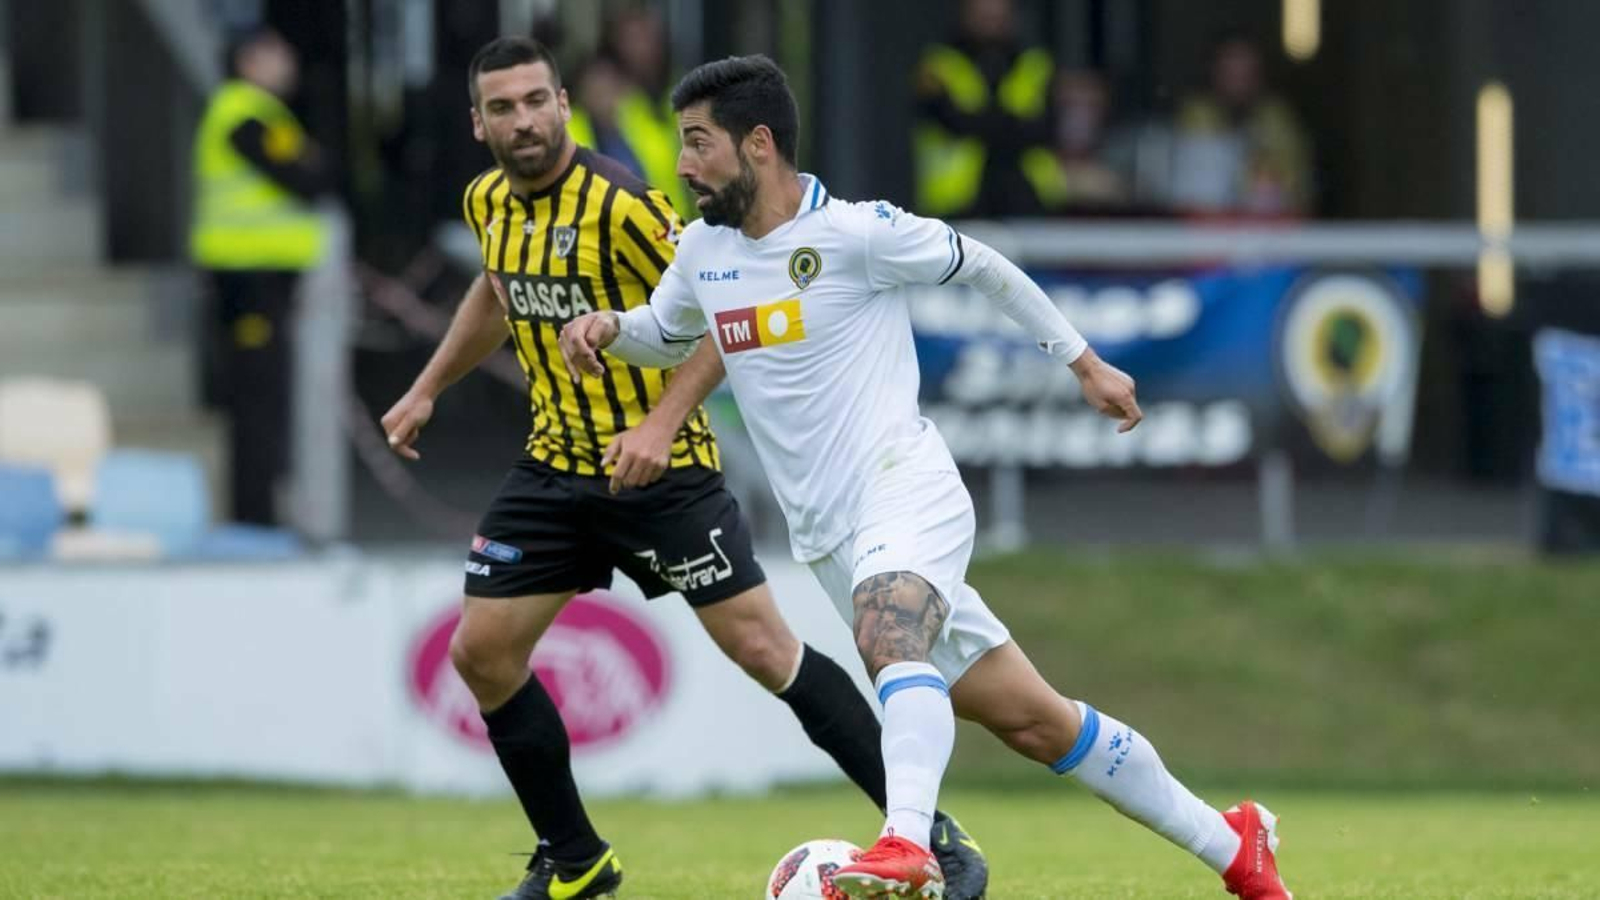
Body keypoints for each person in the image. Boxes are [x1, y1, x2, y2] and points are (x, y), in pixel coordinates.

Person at [560, 55, 1293, 900]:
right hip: (829, 535)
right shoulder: (702, 251)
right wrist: (609, 328)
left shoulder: (857, 233)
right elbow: (666, 333)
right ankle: (1233, 845)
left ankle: (906, 844)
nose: (684, 164)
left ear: (758, 144)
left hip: (903, 487)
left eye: (698, 143)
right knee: (1035, 721)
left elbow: (983, 265)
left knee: (889, 634)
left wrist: (1084, 364)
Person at [378, 38, 988, 900]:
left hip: (661, 476)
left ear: (563, 104)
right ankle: (575, 859)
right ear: (478, 124)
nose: (525, 121)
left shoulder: (625, 204)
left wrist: (661, 423)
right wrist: (426, 389)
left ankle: (930, 834)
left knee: (764, 650)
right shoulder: (487, 202)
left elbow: (725, 302)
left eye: (537, 101)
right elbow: (498, 288)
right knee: (481, 653)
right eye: (503, 108)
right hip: (555, 466)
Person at [190, 26, 333, 524]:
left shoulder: (263, 113)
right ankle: (253, 518)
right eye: (275, 52)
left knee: (265, 399)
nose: (288, 60)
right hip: (247, 280)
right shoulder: (242, 113)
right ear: (248, 61)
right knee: (255, 401)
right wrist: (310, 162)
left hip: (261, 278)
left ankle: (260, 514)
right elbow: (307, 177)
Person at [913, 0, 1054, 218]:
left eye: (999, 13)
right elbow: (950, 120)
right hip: (959, 202)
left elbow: (1044, 128)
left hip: (1026, 196)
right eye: (984, 13)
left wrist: (980, 122)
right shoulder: (938, 64)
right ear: (965, 13)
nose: (991, 20)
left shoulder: (1034, 63)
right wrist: (1007, 124)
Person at [1172, 34, 1312, 216]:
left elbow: (1298, 190)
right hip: (1208, 225)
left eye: (1246, 73)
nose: (1238, 83)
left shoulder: (1278, 119)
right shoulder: (1196, 113)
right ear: (1214, 73)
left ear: (1260, 76)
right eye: (1230, 73)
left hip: (1269, 226)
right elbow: (1193, 190)